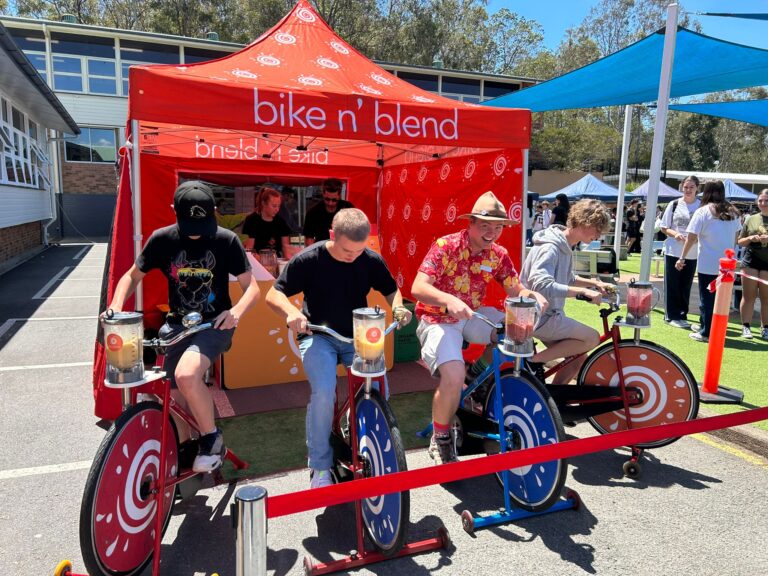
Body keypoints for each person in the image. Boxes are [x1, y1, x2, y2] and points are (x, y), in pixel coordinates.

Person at [107, 180, 260, 472]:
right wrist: (115, 305)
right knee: (174, 396)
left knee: (187, 376)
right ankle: (186, 448)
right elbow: (131, 276)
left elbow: (251, 288)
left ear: (214, 211)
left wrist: (236, 311)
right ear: (173, 211)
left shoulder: (226, 240)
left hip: (215, 324)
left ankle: (212, 438)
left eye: (201, 226)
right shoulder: (162, 239)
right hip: (176, 325)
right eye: (188, 224)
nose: (194, 233)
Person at [265, 208, 411, 488]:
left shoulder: (369, 259)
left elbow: (392, 290)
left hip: (357, 334)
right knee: (323, 391)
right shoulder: (310, 258)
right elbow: (274, 293)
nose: (352, 256)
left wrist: (399, 307)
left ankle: (366, 439)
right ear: (332, 236)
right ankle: (320, 465)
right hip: (319, 333)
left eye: (359, 251)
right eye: (347, 250)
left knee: (379, 387)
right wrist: (291, 314)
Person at [410, 191, 547, 465]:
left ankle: (477, 377)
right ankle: (441, 436)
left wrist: (531, 296)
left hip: (471, 315)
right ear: (470, 223)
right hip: (437, 318)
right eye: (485, 225)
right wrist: (448, 300)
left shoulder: (498, 254)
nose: (492, 232)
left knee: (514, 332)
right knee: (452, 375)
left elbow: (513, 287)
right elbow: (418, 288)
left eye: (497, 227)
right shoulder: (445, 246)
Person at [521, 199, 614, 385]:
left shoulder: (564, 244)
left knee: (578, 358)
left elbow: (567, 277)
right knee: (592, 337)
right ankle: (532, 362)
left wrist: (593, 283)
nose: (599, 234)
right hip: (537, 317)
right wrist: (583, 292)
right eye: (596, 228)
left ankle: (553, 399)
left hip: (544, 316)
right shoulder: (551, 247)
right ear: (582, 222)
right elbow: (542, 285)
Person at [676, 180, 742, 343]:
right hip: (727, 264)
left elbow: (691, 236)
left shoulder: (703, 211)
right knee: (722, 299)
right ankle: (709, 327)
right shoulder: (734, 212)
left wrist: (682, 257)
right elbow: (735, 238)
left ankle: (706, 332)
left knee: (707, 297)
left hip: (708, 262)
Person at [659, 175, 701, 328]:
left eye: (691, 187)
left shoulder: (702, 206)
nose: (688, 190)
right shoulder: (674, 204)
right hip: (673, 251)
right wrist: (675, 234)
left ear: (697, 188)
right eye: (686, 187)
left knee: (686, 284)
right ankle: (671, 315)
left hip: (693, 252)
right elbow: (664, 227)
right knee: (672, 284)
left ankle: (683, 314)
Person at [736, 189, 768, 339]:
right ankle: (746, 327)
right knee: (748, 296)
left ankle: (765, 328)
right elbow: (740, 242)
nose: (762, 203)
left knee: (766, 298)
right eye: (760, 200)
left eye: (766, 201)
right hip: (750, 261)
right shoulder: (750, 218)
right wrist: (751, 238)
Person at [242, 185, 292, 257]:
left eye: (279, 206)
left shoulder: (281, 222)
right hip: (257, 263)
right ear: (263, 203)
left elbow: (286, 249)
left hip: (275, 261)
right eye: (274, 206)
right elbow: (249, 249)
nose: (277, 209)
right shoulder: (251, 221)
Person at [303, 178, 353, 245]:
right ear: (323, 194)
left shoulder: (348, 208)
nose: (330, 203)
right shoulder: (313, 212)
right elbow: (309, 240)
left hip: (344, 249)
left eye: (334, 200)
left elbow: (355, 233)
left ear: (339, 195)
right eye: (327, 199)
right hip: (322, 250)